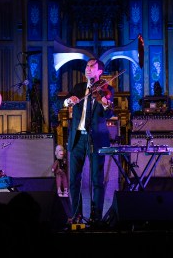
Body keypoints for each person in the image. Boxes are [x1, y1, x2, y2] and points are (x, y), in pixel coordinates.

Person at [63, 58, 114, 224]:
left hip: (96, 139)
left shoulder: (106, 89)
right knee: (73, 180)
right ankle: (76, 214)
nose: (88, 68)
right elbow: (63, 102)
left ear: (99, 71)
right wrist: (69, 101)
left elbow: (107, 114)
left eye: (92, 66)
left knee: (96, 180)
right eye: (87, 66)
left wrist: (104, 103)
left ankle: (96, 216)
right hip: (78, 138)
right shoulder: (78, 88)